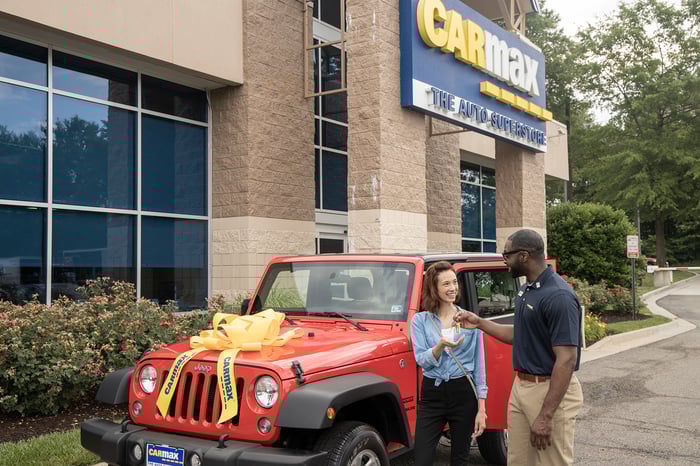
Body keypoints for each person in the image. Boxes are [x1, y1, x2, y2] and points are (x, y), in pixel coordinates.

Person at [454, 229, 584, 466]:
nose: (504, 260)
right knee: (517, 461)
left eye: (507, 254)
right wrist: (479, 323)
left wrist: (546, 415)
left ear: (523, 256)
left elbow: (566, 359)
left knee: (552, 462)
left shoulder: (559, 296)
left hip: (549, 390)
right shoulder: (527, 290)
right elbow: (519, 334)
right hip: (522, 387)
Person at [411, 261, 488, 466]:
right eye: (446, 284)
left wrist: (482, 409)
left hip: (463, 392)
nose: (452, 288)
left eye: (454, 282)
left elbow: (479, 366)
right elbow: (421, 360)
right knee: (421, 459)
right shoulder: (420, 321)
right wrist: (440, 346)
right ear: (433, 288)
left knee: (460, 459)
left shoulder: (470, 319)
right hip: (432, 393)